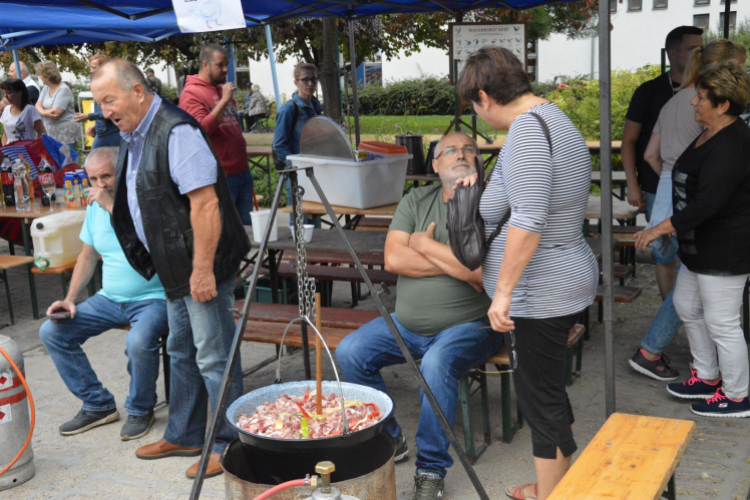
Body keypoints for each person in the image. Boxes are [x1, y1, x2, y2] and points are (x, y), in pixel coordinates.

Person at [91, 59, 249, 478]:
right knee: (180, 350)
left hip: (202, 264)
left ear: (138, 91)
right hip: (174, 264)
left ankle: (227, 442)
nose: (104, 110)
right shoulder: (135, 131)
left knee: (214, 356)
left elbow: (206, 204)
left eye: (109, 99)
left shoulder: (176, 130)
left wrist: (202, 271)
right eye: (100, 102)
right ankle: (184, 432)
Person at [456, 47, 598, 500]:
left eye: (474, 108)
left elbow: (530, 219)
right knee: (548, 389)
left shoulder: (530, 132)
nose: (479, 116)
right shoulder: (552, 119)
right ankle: (550, 483)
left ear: (485, 96)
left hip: (542, 290)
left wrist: (502, 294)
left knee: (539, 398)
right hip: (561, 276)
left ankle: (549, 495)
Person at [337, 132, 499, 500]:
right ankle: (392, 438)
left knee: (437, 363)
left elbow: (483, 275)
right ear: (436, 164)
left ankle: (430, 469)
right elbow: (394, 260)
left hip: (471, 325)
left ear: (477, 162)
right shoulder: (416, 199)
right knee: (350, 351)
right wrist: (457, 263)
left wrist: (424, 246)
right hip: (407, 325)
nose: (461, 154)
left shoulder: (488, 204)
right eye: (450, 150)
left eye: (469, 149)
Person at [635, 62, 750, 418]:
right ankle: (707, 376)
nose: (693, 103)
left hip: (724, 248)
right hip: (698, 247)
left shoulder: (734, 143)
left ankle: (738, 396)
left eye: (700, 98)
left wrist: (659, 227)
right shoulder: (709, 134)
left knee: (723, 322)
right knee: (686, 306)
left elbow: (708, 204)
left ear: (723, 105)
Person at [38, 146, 169, 440]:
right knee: (52, 332)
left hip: (154, 298)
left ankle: (140, 409)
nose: (99, 185)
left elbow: (156, 247)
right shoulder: (95, 206)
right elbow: (87, 255)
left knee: (138, 340)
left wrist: (113, 206)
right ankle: (98, 404)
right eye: (93, 178)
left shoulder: (142, 201)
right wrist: (70, 299)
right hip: (109, 298)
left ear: (122, 172)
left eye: (106, 176)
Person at [622, 26, 703, 302]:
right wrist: (632, 185)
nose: (699, 54)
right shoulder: (649, 91)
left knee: (694, 255)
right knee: (664, 254)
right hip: (657, 185)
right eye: (693, 48)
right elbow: (629, 141)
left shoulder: (707, 92)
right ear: (673, 53)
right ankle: (672, 311)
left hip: (696, 189)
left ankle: (679, 320)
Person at [180, 43, 253, 226]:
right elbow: (202, 130)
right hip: (221, 176)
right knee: (225, 234)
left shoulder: (221, 89)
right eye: (220, 65)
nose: (226, 70)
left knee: (247, 233)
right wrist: (224, 100)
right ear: (205, 64)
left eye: (226, 64)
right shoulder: (191, 93)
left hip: (242, 171)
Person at [273, 62, 323, 222]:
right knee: (299, 223)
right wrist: (294, 167)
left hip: (315, 173)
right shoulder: (289, 109)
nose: (310, 84)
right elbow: (279, 144)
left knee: (314, 224)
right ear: (296, 82)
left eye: (314, 80)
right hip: (297, 175)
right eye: (305, 80)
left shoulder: (316, 107)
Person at [73, 54, 121, 148]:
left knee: (95, 160)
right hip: (104, 132)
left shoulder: (109, 86)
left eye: (93, 67)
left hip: (111, 134)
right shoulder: (102, 84)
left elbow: (109, 111)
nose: (91, 71)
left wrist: (88, 116)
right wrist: (96, 125)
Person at [35, 61, 81, 153]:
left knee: (67, 163)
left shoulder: (63, 89)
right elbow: (37, 104)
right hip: (50, 132)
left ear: (47, 75)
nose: (39, 77)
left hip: (66, 134)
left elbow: (56, 112)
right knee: (53, 163)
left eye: (40, 74)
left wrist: (41, 111)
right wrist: (44, 112)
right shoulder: (46, 87)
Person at [0, 79, 45, 145]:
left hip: (27, 151)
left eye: (9, 93)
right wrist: (4, 150)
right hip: (10, 152)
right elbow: (5, 134)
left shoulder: (29, 110)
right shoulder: (6, 109)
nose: (6, 96)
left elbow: (42, 133)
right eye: (5, 93)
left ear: (20, 93)